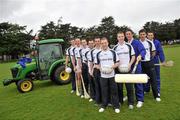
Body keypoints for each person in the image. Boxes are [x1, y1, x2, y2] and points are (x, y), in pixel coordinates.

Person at [95, 37, 120, 113]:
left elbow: (118, 62)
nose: (104, 44)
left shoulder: (113, 52)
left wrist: (112, 68)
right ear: (101, 44)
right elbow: (96, 64)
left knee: (114, 91)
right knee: (104, 91)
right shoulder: (98, 54)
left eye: (105, 43)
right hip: (103, 76)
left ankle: (116, 106)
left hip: (112, 75)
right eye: (102, 43)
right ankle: (104, 105)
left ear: (107, 43)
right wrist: (101, 69)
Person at [113, 32, 135, 109]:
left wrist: (129, 65)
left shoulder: (129, 46)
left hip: (127, 69)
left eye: (122, 36)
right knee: (119, 87)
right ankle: (120, 101)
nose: (121, 38)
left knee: (129, 87)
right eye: (119, 36)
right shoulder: (115, 48)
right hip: (118, 70)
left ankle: (131, 102)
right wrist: (117, 67)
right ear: (117, 38)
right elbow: (114, 60)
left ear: (124, 37)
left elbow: (133, 56)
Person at [125, 29, 146, 108]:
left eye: (129, 34)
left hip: (136, 65)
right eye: (127, 34)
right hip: (128, 66)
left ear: (132, 34)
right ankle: (130, 96)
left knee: (138, 82)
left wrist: (141, 55)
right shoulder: (126, 44)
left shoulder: (137, 42)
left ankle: (140, 100)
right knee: (129, 83)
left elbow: (143, 50)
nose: (128, 35)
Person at [138, 29, 161, 102]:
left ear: (146, 35)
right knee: (140, 80)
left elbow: (153, 52)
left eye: (143, 34)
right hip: (140, 63)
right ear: (139, 35)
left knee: (153, 79)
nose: (142, 36)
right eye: (141, 34)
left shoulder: (150, 42)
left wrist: (150, 58)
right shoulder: (137, 43)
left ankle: (156, 95)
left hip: (149, 62)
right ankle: (141, 94)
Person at [146, 31, 165, 96]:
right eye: (149, 35)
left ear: (153, 36)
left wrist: (162, 61)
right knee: (147, 76)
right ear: (147, 36)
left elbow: (160, 52)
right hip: (147, 62)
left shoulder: (157, 42)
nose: (150, 36)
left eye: (151, 35)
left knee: (156, 76)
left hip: (155, 61)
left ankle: (157, 91)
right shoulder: (144, 42)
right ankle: (146, 89)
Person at [89, 37, 102, 105]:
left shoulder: (104, 49)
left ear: (100, 42)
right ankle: (98, 100)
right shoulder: (92, 51)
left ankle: (105, 100)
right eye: (96, 41)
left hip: (103, 70)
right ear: (94, 42)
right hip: (96, 70)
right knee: (97, 85)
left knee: (103, 85)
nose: (97, 42)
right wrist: (91, 70)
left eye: (98, 41)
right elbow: (91, 62)